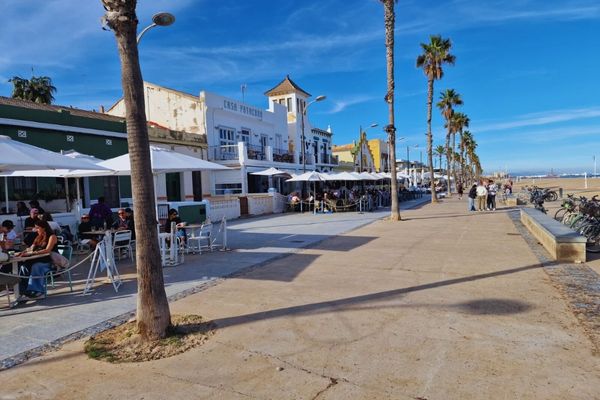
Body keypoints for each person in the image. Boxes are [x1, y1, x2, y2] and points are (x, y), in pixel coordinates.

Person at [17, 219, 58, 299]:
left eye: (37, 228)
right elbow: (31, 248)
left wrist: (33, 253)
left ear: (44, 228)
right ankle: (24, 290)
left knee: (36, 266)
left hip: (49, 261)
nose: (36, 229)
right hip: (37, 259)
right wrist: (23, 252)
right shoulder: (38, 237)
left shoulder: (52, 236)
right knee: (23, 267)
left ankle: (38, 291)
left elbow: (47, 250)